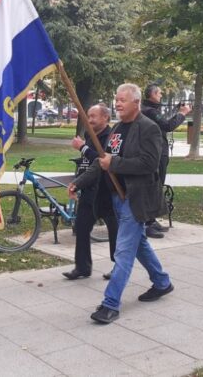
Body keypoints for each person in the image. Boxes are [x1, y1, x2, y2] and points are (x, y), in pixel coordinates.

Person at [69, 83, 173, 324]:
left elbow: (149, 164)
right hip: (116, 198)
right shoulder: (117, 129)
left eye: (122, 100)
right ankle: (162, 282)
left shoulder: (149, 129)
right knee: (139, 246)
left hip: (135, 200)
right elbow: (101, 162)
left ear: (136, 102)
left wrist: (114, 164)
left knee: (123, 251)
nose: (117, 103)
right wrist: (79, 182)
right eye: (116, 99)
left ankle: (110, 304)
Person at [62, 103, 118, 281]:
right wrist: (78, 183)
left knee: (114, 230)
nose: (89, 119)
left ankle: (118, 266)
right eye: (88, 115)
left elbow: (102, 161)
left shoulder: (111, 136)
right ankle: (82, 267)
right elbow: (88, 164)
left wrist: (82, 148)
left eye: (93, 116)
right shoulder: (89, 134)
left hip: (105, 191)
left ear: (105, 118)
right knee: (81, 226)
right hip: (88, 190)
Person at [141, 84, 191, 238]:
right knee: (154, 186)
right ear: (152, 94)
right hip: (155, 154)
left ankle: (151, 219)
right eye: (159, 93)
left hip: (157, 152)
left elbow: (163, 121)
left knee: (157, 186)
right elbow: (168, 125)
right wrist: (182, 114)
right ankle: (147, 223)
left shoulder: (148, 109)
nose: (161, 96)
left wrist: (177, 111)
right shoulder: (149, 111)